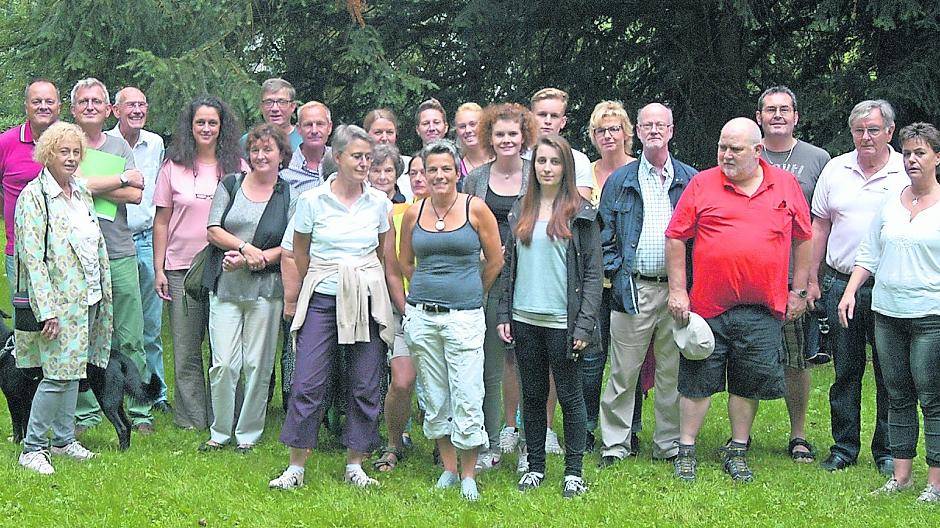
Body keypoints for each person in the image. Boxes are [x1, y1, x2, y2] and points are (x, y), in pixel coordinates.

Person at [665, 117, 812, 482]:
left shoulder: (786, 185)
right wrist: (678, 290)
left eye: (735, 149)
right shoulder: (702, 183)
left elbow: (804, 237)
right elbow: (675, 237)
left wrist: (800, 290)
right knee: (698, 378)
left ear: (758, 151)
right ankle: (686, 449)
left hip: (763, 308)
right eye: (722, 147)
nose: (726, 155)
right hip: (708, 306)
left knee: (748, 381)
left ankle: (738, 448)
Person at [269, 125, 394, 490]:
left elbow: (385, 255)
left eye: (369, 158)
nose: (365, 164)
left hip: (366, 299)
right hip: (322, 299)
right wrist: (317, 285)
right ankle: (296, 466)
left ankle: (356, 462)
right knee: (307, 381)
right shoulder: (312, 201)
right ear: (337, 158)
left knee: (366, 381)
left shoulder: (379, 203)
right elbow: (299, 252)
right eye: (357, 156)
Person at [839, 122, 940, 502]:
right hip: (887, 312)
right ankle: (901, 477)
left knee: (932, 397)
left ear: (937, 159)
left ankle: (935, 482)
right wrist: (850, 291)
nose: (913, 160)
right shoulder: (890, 202)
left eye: (921, 153)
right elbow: (869, 254)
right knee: (896, 396)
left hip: (931, 316)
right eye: (908, 153)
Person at [496, 134, 602, 497]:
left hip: (563, 322)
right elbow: (509, 267)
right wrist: (504, 312)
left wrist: (584, 324)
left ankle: (573, 470)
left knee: (571, 396)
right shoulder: (520, 211)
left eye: (554, 162)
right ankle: (536, 465)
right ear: (533, 166)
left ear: (566, 167)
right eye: (541, 161)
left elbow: (591, 274)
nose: (547, 168)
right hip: (525, 320)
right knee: (533, 395)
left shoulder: (582, 213)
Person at [398, 139, 503, 500]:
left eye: (446, 169)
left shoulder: (477, 209)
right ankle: (447, 467)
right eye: (432, 169)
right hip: (423, 315)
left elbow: (494, 261)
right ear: (423, 174)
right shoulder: (415, 212)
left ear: (457, 171)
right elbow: (405, 262)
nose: (439, 175)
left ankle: (469, 472)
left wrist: (474, 290)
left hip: (464, 316)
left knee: (468, 392)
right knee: (434, 393)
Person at [597, 103, 697, 466]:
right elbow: (603, 234)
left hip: (676, 291)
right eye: (647, 125)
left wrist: (686, 285)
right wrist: (618, 270)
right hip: (633, 287)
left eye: (661, 125)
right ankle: (614, 445)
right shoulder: (620, 181)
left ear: (671, 131)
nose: (654, 130)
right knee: (623, 372)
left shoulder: (690, 180)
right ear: (637, 132)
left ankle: (668, 444)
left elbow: (699, 237)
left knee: (671, 372)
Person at [809, 100, 906, 475]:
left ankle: (885, 451)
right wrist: (812, 278)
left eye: (873, 130)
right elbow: (820, 226)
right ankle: (843, 447)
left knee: (889, 373)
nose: (865, 137)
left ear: (890, 132)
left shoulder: (905, 170)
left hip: (889, 287)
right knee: (845, 372)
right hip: (838, 283)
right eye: (859, 130)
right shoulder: (836, 169)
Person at [14, 121, 113, 474]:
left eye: (75, 152)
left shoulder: (81, 193)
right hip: (56, 302)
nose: (70, 158)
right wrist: (47, 311)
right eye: (63, 151)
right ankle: (33, 447)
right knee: (56, 373)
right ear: (47, 154)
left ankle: (64, 438)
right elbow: (31, 258)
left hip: (86, 296)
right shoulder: (34, 197)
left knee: (74, 370)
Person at [153, 95, 247, 430]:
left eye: (212, 122)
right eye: (200, 122)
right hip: (180, 268)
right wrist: (159, 268)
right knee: (186, 348)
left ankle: (228, 417)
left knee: (225, 350)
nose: (206, 128)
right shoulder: (173, 166)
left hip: (226, 268)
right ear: (190, 127)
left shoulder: (237, 166)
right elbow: (161, 221)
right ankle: (191, 420)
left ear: (222, 127)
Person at [200, 124, 293, 453]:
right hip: (225, 287)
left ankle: (248, 434)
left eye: (268, 149)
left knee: (257, 364)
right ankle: (219, 432)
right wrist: (244, 248)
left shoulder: (290, 194)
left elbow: (292, 244)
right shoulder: (230, 184)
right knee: (224, 363)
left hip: (267, 290)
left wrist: (257, 258)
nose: (261, 155)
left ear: (282, 154)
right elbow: (213, 229)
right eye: (255, 150)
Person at [70, 78, 154, 435]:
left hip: (118, 249)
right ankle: (87, 412)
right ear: (72, 108)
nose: (90, 106)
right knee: (83, 334)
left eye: (97, 101)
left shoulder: (119, 145)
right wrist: (117, 179)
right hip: (75, 254)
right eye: (83, 101)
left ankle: (139, 411)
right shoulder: (66, 143)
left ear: (108, 109)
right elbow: (68, 184)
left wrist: (87, 183)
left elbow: (135, 195)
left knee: (130, 333)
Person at [755, 85, 831, 462]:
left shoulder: (818, 159)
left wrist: (810, 281)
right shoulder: (744, 153)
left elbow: (819, 223)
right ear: (759, 118)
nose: (778, 115)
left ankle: (798, 434)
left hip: (792, 277)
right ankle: (742, 434)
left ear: (796, 117)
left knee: (796, 359)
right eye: (770, 110)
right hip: (752, 276)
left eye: (785, 109)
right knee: (747, 353)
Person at [463, 102, 538, 472]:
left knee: (529, 363)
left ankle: (530, 446)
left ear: (524, 137)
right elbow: (465, 225)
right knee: (491, 364)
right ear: (489, 138)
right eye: (500, 134)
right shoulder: (475, 179)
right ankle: (490, 442)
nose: (506, 139)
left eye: (513, 133)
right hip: (489, 278)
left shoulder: (536, 173)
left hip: (531, 278)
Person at [106, 86, 170, 413]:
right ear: (115, 110)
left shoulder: (155, 143)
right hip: (113, 240)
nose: (137, 110)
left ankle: (154, 394)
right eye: (130, 105)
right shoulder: (104, 144)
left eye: (142, 105)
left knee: (150, 324)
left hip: (146, 238)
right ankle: (113, 392)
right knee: (114, 325)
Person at [584, 99, 643, 453]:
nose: (608, 135)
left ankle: (629, 428)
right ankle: (589, 425)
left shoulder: (640, 171)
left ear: (627, 133)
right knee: (590, 358)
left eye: (614, 129)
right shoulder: (583, 174)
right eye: (600, 130)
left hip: (627, 281)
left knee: (629, 359)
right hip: (590, 282)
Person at [373, 154, 430, 472]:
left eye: (429, 171)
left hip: (439, 307)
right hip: (401, 306)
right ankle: (394, 442)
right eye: (417, 172)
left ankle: (442, 445)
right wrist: (405, 305)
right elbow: (392, 267)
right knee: (403, 381)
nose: (423, 177)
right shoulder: (396, 214)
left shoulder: (456, 211)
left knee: (441, 383)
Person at [278, 100, 334, 408]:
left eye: (319, 124)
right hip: (294, 263)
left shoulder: (340, 164)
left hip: (332, 266)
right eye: (307, 125)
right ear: (298, 130)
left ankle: (329, 406)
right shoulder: (286, 175)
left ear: (329, 128)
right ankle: (292, 403)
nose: (313, 130)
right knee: (294, 338)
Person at [1, 78, 60, 294]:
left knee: (65, 319)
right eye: (36, 101)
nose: (43, 106)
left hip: (64, 249)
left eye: (49, 101)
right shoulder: (6, 143)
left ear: (58, 107)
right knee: (26, 320)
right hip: (20, 249)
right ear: (26, 106)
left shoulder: (71, 141)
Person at [528, 88, 595, 198]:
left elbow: (582, 210)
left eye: (554, 116)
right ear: (530, 117)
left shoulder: (578, 161)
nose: (548, 121)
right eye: (542, 115)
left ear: (563, 122)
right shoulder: (516, 157)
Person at [240, 78, 302, 155]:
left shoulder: (304, 139)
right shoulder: (247, 141)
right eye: (269, 102)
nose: (275, 108)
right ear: (261, 106)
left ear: (292, 106)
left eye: (281, 102)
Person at [364, 108, 413, 199]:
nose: (384, 138)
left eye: (390, 132)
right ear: (366, 135)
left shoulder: (410, 165)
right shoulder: (358, 167)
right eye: (378, 132)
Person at [454, 102, 493, 185]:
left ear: (484, 125)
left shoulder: (502, 159)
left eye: (472, 124)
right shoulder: (456, 168)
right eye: (462, 126)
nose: (467, 130)